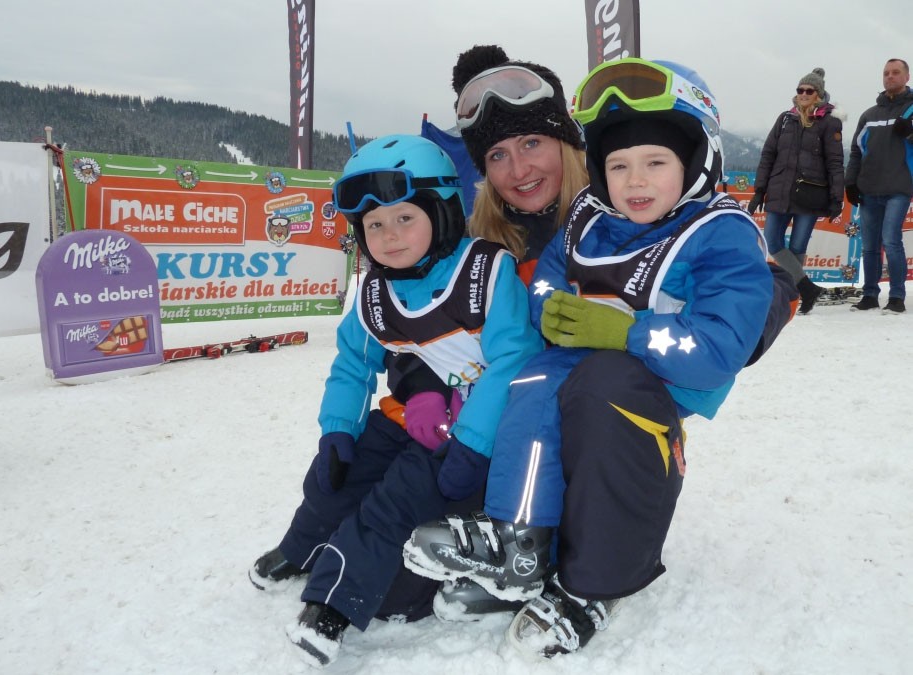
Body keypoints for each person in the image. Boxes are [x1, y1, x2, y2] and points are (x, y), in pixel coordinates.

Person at [403, 57, 775, 659]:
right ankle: (520, 542)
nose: (635, 181)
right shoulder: (590, 217)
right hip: (576, 368)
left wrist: (627, 333)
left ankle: (595, 581)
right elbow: (551, 275)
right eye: (619, 166)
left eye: (656, 163)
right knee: (533, 381)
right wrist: (550, 309)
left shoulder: (719, 232)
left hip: (655, 388)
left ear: (696, 161)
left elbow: (717, 350)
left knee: (602, 389)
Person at [248, 134, 543, 667]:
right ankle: (301, 546)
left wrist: (473, 443)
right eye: (374, 225)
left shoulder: (484, 273)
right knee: (335, 477)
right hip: (406, 419)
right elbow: (353, 363)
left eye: (405, 218)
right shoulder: (376, 292)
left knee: (393, 504)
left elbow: (514, 360)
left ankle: (333, 604)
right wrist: (338, 430)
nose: (389, 236)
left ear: (442, 212)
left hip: (466, 433)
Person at [749, 67, 844, 314]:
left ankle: (793, 298)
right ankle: (807, 288)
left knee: (798, 247)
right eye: (800, 89)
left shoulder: (829, 122)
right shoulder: (785, 119)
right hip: (779, 190)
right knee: (772, 241)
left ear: (818, 94)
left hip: (810, 194)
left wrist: (837, 198)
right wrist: (759, 190)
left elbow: (835, 163)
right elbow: (768, 154)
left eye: (809, 91)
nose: (803, 94)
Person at [844, 58, 913, 314]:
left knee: (891, 240)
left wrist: (910, 132)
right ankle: (870, 295)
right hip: (869, 188)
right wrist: (850, 182)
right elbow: (856, 152)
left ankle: (896, 296)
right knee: (870, 245)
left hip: (899, 186)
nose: (890, 77)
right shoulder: (869, 115)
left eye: (895, 72)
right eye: (886, 73)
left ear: (907, 77)